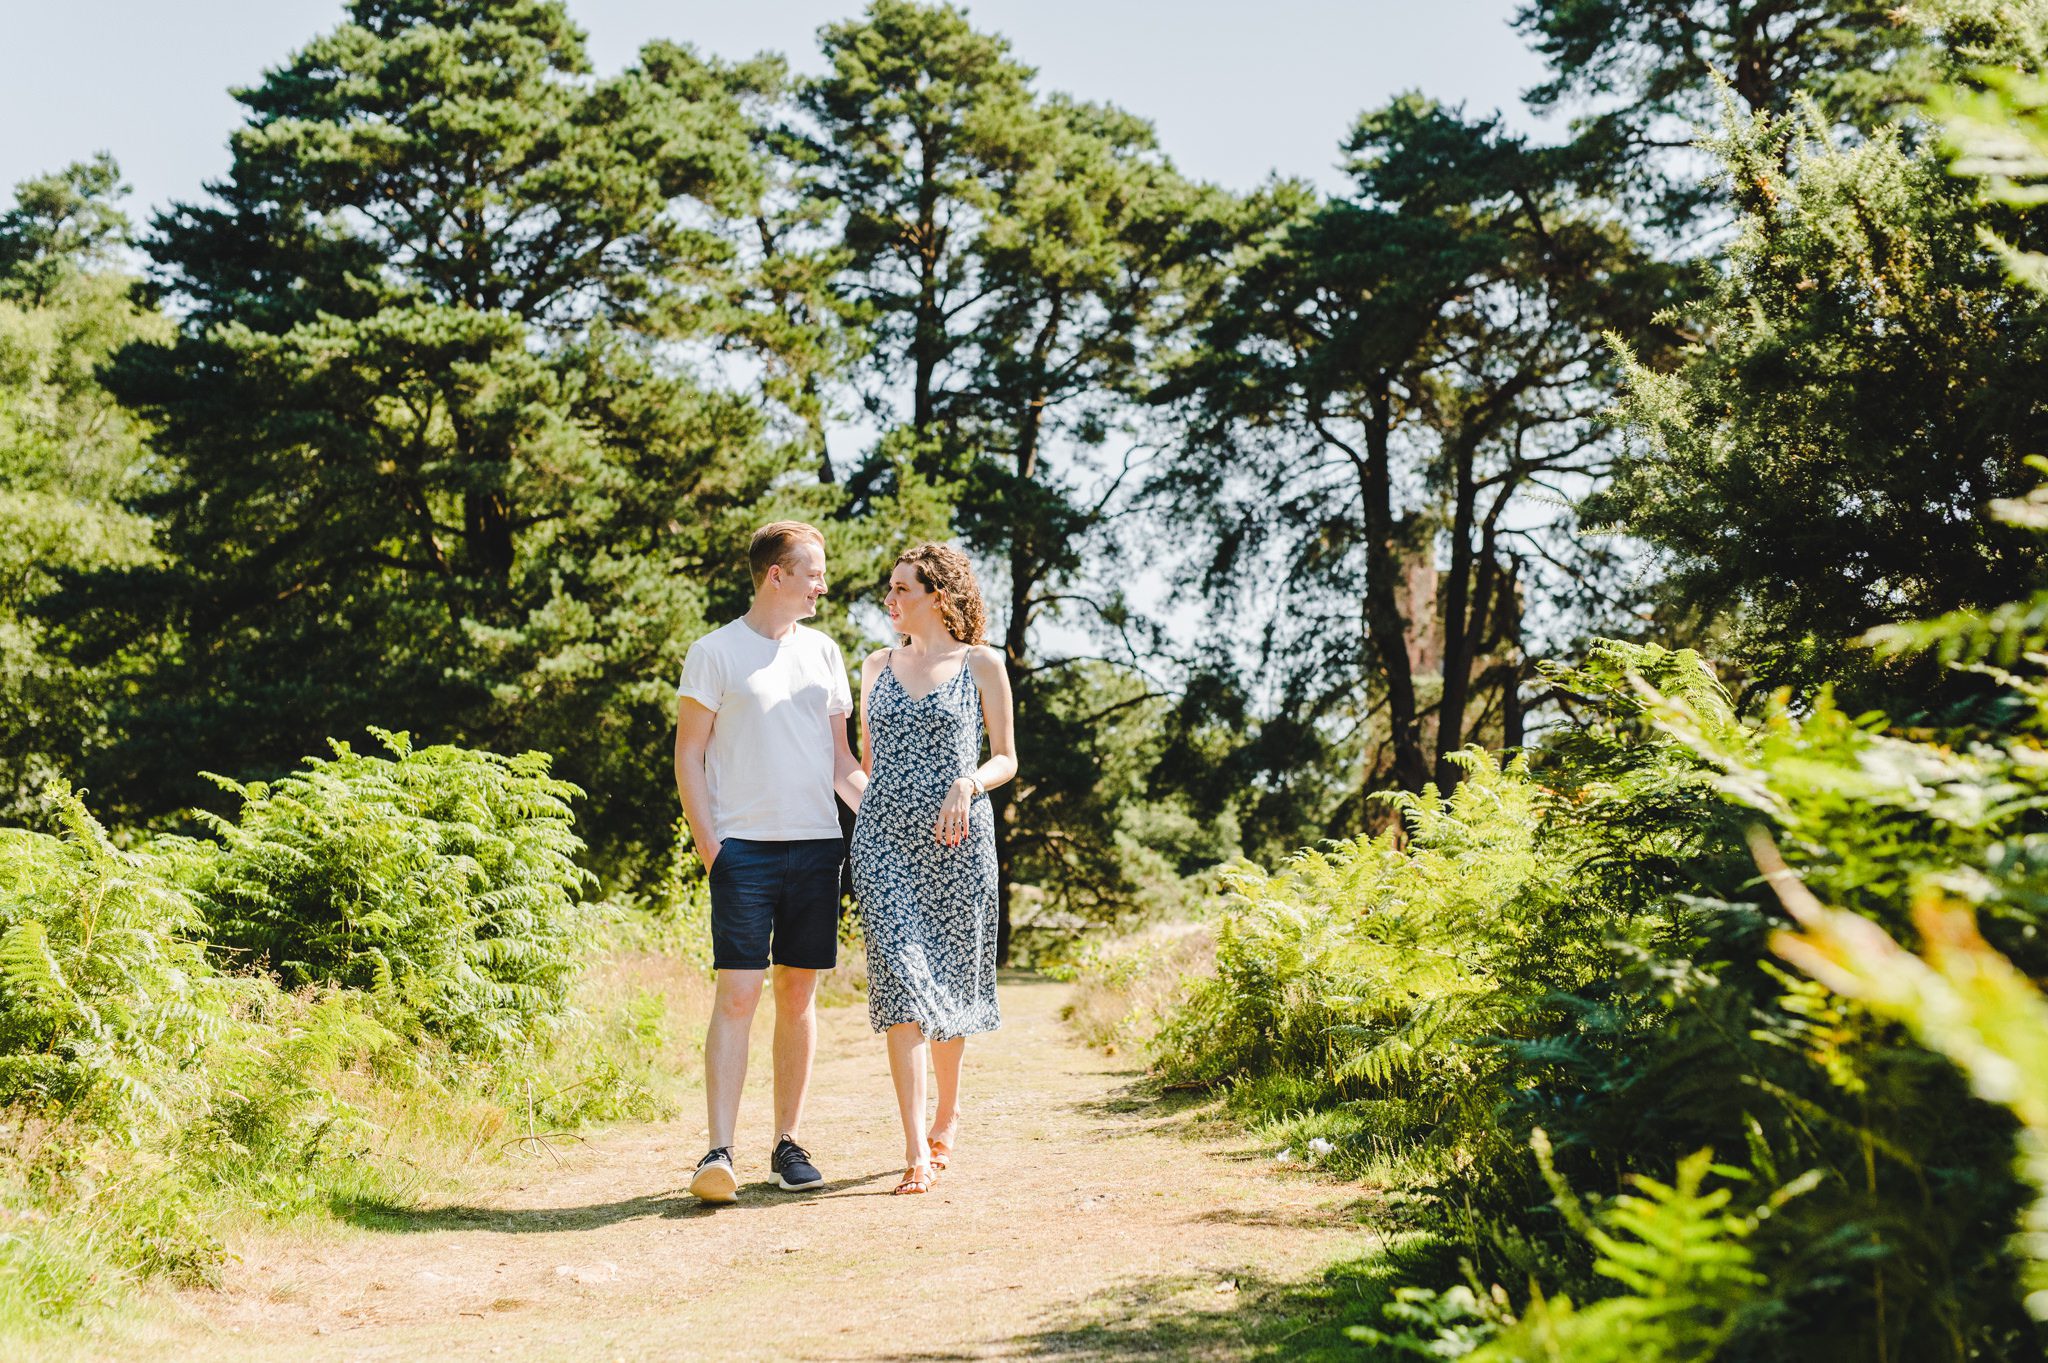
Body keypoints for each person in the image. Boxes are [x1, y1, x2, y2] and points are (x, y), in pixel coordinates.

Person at [673, 521, 866, 1204]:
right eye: (812, 571)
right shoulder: (714, 651)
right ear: (775, 575)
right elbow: (688, 756)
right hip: (742, 852)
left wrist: (885, 815)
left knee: (798, 996)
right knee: (738, 994)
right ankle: (717, 1150)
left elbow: (843, 764)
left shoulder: (825, 653)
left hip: (817, 846)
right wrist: (712, 849)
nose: (823, 583)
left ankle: (788, 1143)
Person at [850, 543, 1017, 1196]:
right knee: (902, 985)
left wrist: (968, 784)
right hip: (885, 844)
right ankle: (916, 1148)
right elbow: (865, 762)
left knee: (948, 987)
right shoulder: (874, 666)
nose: (889, 599)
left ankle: (947, 1116)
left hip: (958, 847)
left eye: (901, 588)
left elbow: (1005, 757)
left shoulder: (982, 664)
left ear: (938, 595)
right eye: (888, 589)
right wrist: (875, 813)